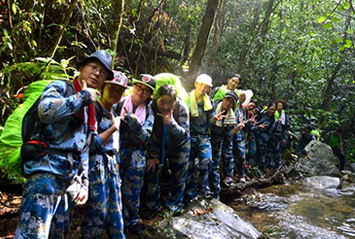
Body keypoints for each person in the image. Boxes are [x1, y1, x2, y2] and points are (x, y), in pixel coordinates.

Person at [15, 50, 113, 238]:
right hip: (45, 176)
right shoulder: (61, 87)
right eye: (93, 67)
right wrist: (82, 97)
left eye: (103, 73)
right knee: (32, 234)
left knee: (58, 235)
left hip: (68, 184)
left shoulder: (90, 108)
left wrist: (83, 183)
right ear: (81, 68)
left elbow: (84, 146)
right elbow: (46, 111)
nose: (97, 74)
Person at [81, 71, 128, 238]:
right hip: (96, 167)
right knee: (97, 214)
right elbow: (90, 145)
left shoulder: (115, 113)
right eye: (112, 88)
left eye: (120, 90)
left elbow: (116, 147)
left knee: (116, 214)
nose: (115, 93)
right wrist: (113, 128)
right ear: (103, 87)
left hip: (112, 168)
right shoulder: (92, 109)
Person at [116, 74, 155, 235]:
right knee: (114, 188)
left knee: (132, 191)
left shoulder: (148, 111)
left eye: (146, 90)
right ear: (134, 86)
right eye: (139, 87)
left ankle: (131, 221)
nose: (141, 92)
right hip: (116, 148)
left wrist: (132, 121)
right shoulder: (119, 103)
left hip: (136, 152)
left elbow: (145, 135)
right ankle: (115, 222)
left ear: (149, 95)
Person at [143, 84, 190, 218]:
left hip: (180, 144)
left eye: (170, 103)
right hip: (158, 142)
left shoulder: (181, 108)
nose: (165, 106)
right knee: (153, 168)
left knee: (179, 174)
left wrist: (171, 123)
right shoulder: (151, 107)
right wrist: (154, 156)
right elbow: (150, 134)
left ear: (175, 102)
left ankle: (174, 205)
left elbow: (184, 134)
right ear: (156, 99)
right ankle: (152, 205)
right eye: (162, 102)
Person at [184, 74, 219, 201]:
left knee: (207, 161)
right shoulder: (186, 98)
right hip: (188, 135)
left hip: (203, 136)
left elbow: (210, 121)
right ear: (196, 84)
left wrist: (214, 120)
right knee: (189, 165)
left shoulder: (209, 101)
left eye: (206, 87)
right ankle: (190, 193)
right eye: (201, 85)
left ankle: (203, 189)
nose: (203, 88)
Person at [210, 91, 239, 194]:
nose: (228, 104)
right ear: (223, 99)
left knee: (216, 163)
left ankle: (215, 191)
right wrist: (213, 120)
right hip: (207, 137)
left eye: (231, 102)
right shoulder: (211, 106)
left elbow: (228, 135)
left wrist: (236, 129)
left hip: (219, 140)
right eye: (227, 100)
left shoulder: (231, 115)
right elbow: (204, 124)